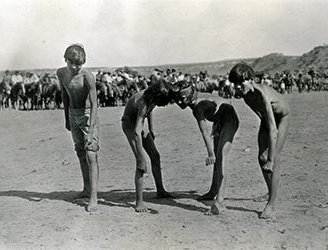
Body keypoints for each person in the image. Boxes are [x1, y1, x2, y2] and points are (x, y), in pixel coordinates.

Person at [228, 62, 290, 219]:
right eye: (235, 84)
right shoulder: (245, 96)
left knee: (273, 159)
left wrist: (270, 159)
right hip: (267, 119)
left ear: (250, 79)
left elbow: (274, 129)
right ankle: (270, 190)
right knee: (261, 157)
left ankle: (271, 204)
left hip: (281, 119)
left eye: (241, 83)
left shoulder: (263, 94)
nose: (238, 87)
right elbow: (261, 115)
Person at [171, 81, 239, 215]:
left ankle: (220, 202)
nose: (179, 102)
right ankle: (213, 192)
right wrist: (217, 120)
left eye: (182, 98)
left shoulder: (197, 107)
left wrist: (210, 153)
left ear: (189, 95)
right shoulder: (195, 97)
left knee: (220, 159)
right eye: (176, 99)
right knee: (217, 160)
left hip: (229, 120)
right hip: (220, 118)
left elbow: (204, 131)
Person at [121, 78, 176, 212]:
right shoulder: (144, 101)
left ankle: (160, 191)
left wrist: (151, 129)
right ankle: (139, 201)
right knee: (141, 164)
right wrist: (140, 155)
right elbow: (136, 132)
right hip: (129, 125)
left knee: (155, 156)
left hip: (139, 125)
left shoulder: (153, 97)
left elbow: (149, 111)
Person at [57, 44, 100, 212]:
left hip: (88, 115)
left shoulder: (88, 76)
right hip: (72, 114)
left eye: (79, 64)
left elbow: (95, 104)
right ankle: (86, 189)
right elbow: (64, 94)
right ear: (65, 60)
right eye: (71, 63)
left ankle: (94, 197)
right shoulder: (61, 73)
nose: (75, 68)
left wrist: (90, 131)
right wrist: (67, 119)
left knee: (91, 154)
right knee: (80, 152)